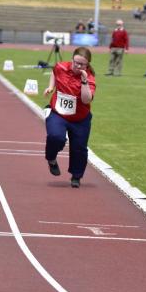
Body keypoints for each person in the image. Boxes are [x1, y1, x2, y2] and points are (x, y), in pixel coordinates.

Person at [43, 47, 96, 188]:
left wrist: (84, 81)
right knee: (56, 137)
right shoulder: (61, 67)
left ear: (88, 64)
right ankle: (51, 159)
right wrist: (50, 87)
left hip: (80, 118)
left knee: (79, 148)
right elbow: (54, 72)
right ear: (72, 59)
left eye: (82, 64)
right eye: (76, 62)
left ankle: (76, 177)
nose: (78, 66)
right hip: (58, 113)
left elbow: (86, 100)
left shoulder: (89, 78)